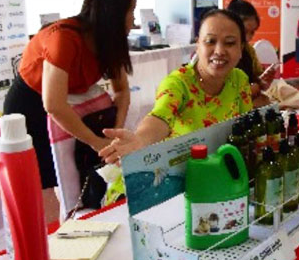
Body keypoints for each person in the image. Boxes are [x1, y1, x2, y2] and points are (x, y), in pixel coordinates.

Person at [3, 0, 135, 192]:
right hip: (33, 103)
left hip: (70, 104)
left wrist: (114, 133)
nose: (133, 20)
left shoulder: (112, 41)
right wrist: (95, 142)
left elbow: (121, 91)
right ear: (114, 14)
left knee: (77, 173)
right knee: (43, 178)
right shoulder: (63, 39)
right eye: (131, 12)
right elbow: (53, 104)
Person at [100, 9, 252, 163]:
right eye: (210, 41)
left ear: (241, 49)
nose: (219, 51)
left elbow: (246, 127)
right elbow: (160, 117)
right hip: (178, 175)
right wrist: (141, 140)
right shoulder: (178, 83)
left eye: (230, 43)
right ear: (198, 45)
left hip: (219, 172)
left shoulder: (239, 80)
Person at [226, 0, 277, 104]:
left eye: (252, 32)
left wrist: (263, 81)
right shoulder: (221, 54)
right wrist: (250, 90)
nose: (248, 38)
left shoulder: (249, 51)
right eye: (245, 31)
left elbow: (257, 80)